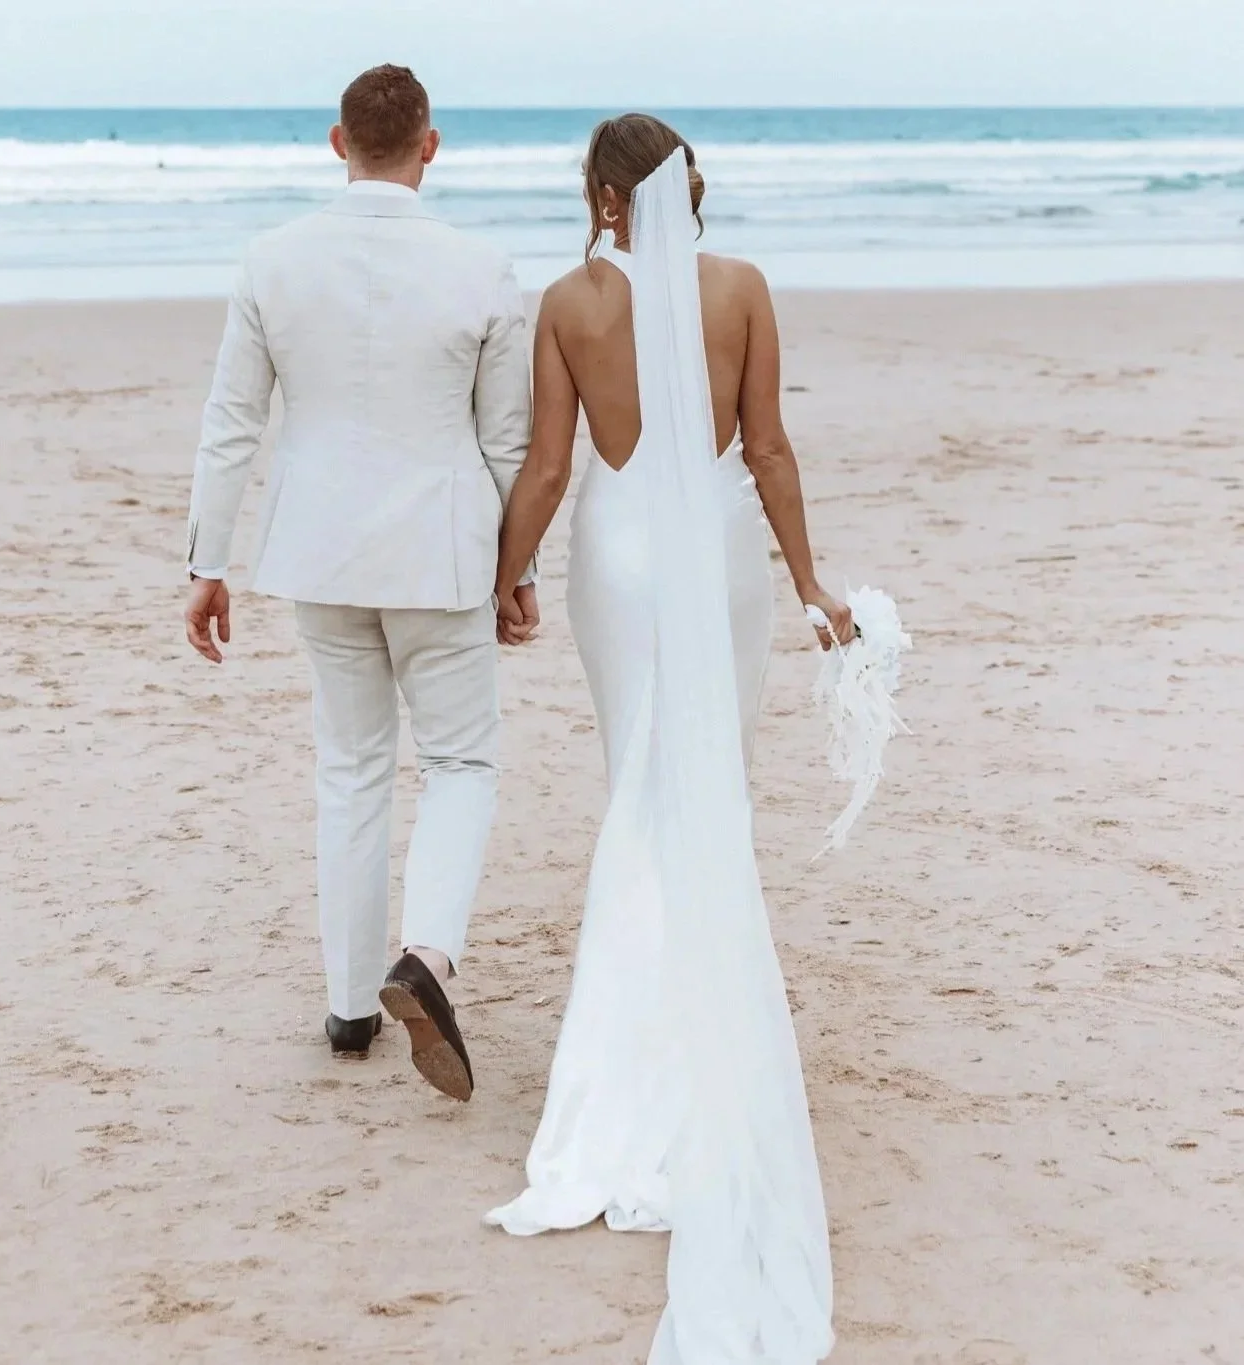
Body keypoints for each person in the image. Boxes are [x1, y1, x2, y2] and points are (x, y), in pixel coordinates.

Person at [485, 115, 848, 1363]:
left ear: (598, 192)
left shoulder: (570, 301)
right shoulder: (741, 288)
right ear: (687, 190)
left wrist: (505, 576)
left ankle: (628, 1072)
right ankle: (703, 1047)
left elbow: (545, 466)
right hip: (722, 562)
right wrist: (810, 588)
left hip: (623, 560)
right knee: (706, 795)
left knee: (638, 787)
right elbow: (771, 449)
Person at [182, 65, 536, 1102]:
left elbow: (231, 424)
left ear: (339, 142)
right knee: (463, 762)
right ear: (431, 145)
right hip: (443, 553)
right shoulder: (481, 266)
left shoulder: (272, 260)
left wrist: (209, 562)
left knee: (351, 770)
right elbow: (506, 440)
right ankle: (424, 957)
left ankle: (347, 1008)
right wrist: (516, 572)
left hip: (321, 554)